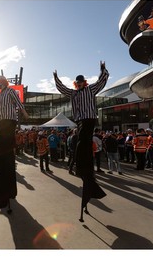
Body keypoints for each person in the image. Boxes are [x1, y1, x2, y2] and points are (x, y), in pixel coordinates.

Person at [54, 61, 109, 221]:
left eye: (80, 83)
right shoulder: (74, 93)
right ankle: (82, 163)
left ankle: (80, 162)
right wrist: (56, 78)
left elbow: (102, 82)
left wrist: (103, 70)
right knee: (80, 140)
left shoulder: (90, 89)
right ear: (76, 84)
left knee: (82, 141)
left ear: (84, 82)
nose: (78, 85)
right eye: (77, 83)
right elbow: (62, 89)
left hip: (89, 119)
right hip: (79, 120)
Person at [0, 75, 29, 209]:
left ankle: (6, 171)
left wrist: (24, 112)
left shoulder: (10, 91)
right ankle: (3, 172)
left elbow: (18, 102)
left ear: (2, 82)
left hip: (10, 122)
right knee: (1, 154)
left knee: (3, 152)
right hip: (2, 123)